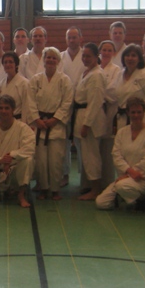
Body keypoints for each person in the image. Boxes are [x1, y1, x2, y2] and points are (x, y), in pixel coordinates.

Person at [26, 47, 73, 200]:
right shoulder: (36, 79)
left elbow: (67, 102)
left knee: (56, 161)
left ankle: (55, 189)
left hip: (56, 125)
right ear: (44, 60)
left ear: (58, 61)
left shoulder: (64, 80)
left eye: (54, 58)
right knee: (41, 161)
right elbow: (30, 101)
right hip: (40, 124)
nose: (51, 60)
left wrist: (55, 119)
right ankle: (43, 188)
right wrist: (36, 119)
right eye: (48, 57)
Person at [95, 98, 145, 210]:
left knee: (122, 186)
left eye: (139, 112)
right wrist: (127, 171)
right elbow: (116, 155)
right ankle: (129, 196)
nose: (136, 115)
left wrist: (130, 175)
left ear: (144, 113)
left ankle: (141, 199)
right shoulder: (122, 132)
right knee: (101, 203)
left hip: (143, 178)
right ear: (128, 113)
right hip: (124, 176)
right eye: (133, 112)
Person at [72, 43, 108, 201]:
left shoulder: (97, 75)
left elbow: (95, 102)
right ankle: (90, 185)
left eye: (89, 56)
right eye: (84, 56)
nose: (85, 59)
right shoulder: (87, 72)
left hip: (90, 119)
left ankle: (96, 189)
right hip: (81, 114)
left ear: (96, 56)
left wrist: (86, 124)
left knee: (92, 156)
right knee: (86, 156)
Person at [113, 44, 145, 131]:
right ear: (123, 57)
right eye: (127, 55)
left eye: (133, 55)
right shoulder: (119, 74)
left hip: (141, 119)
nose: (130, 58)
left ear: (139, 59)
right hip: (122, 118)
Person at [60, 26, 85, 186]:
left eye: (74, 37)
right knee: (64, 142)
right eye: (69, 37)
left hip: (81, 105)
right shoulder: (61, 57)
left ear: (80, 38)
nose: (72, 40)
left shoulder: (86, 56)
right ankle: (64, 174)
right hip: (64, 104)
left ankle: (85, 177)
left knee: (82, 142)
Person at [98, 40, 121, 184]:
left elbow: (113, 91)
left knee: (108, 149)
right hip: (95, 111)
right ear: (100, 52)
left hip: (109, 111)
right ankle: (94, 181)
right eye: (104, 50)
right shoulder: (94, 68)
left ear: (113, 53)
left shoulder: (116, 70)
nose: (106, 53)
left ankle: (107, 182)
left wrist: (97, 94)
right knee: (95, 150)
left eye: (109, 50)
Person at [0, 51, 30, 121]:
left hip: (18, 120)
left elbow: (26, 107)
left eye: (10, 62)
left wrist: (24, 124)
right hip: (3, 121)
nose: (8, 64)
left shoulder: (24, 83)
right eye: (5, 62)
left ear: (16, 64)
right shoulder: (1, 83)